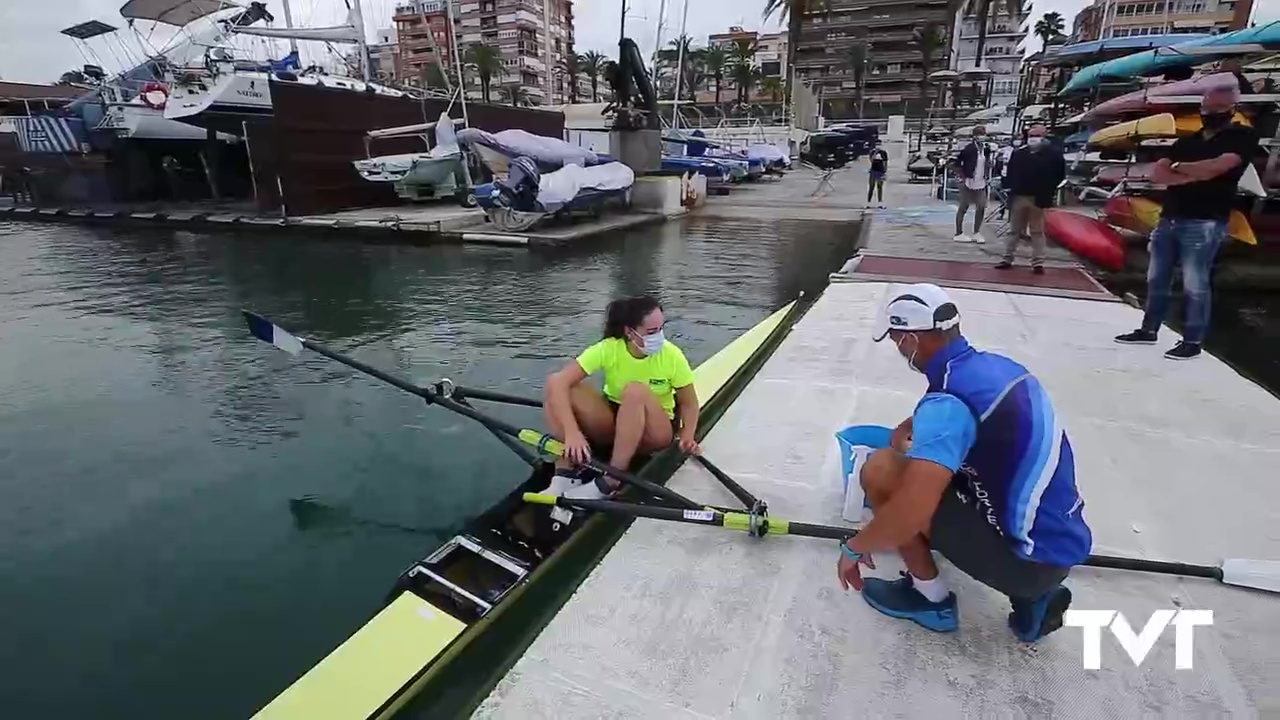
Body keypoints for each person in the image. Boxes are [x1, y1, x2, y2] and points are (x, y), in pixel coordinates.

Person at [836, 283, 1092, 642]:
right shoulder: (997, 368)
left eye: (896, 341)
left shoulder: (948, 405)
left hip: (1027, 564)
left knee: (881, 470)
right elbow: (934, 421)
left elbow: (913, 508)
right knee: (919, 468)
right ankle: (1034, 600)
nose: (898, 350)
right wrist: (906, 432)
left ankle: (930, 599)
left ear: (910, 340)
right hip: (1056, 548)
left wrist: (855, 547)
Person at [1115, 87, 1258, 361]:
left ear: (1231, 109)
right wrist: (1193, 172)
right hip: (1169, 217)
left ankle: (1192, 341)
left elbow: (1219, 167)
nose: (1209, 114)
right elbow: (1159, 173)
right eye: (1206, 109)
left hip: (1205, 220)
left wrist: (1180, 168)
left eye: (1216, 110)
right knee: (1156, 278)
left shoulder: (1242, 137)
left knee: (1196, 281)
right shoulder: (1186, 141)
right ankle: (1149, 329)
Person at [543, 296, 701, 500]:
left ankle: (612, 479)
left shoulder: (672, 355)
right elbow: (558, 383)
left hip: (655, 431)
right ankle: (566, 470)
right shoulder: (610, 348)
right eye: (652, 332)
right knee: (558, 384)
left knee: (634, 391)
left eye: (661, 329)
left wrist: (688, 435)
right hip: (616, 422)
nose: (660, 337)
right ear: (629, 332)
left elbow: (689, 403)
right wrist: (572, 432)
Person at [996, 125, 1066, 275]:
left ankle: (1038, 263)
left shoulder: (1053, 154)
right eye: (1031, 135)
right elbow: (1010, 173)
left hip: (1039, 198)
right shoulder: (1019, 153)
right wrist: (1010, 189)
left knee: (1037, 231)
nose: (1033, 138)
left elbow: (1060, 174)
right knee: (1014, 230)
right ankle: (1007, 258)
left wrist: (1049, 190)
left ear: (1045, 135)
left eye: (1037, 135)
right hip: (1019, 196)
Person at [952, 126, 990, 244]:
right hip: (968, 181)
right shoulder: (968, 149)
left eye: (984, 134)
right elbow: (957, 163)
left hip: (981, 182)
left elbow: (986, 163)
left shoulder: (986, 149)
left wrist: (987, 174)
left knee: (981, 206)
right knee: (963, 207)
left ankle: (976, 232)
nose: (982, 136)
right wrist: (962, 176)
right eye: (980, 134)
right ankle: (958, 233)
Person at [867, 141, 889, 208]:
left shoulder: (884, 153)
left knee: (879, 187)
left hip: (880, 171)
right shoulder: (872, 152)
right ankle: (869, 202)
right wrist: (875, 152)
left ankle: (880, 202)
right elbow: (871, 160)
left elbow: (885, 162)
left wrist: (885, 171)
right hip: (873, 171)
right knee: (871, 187)